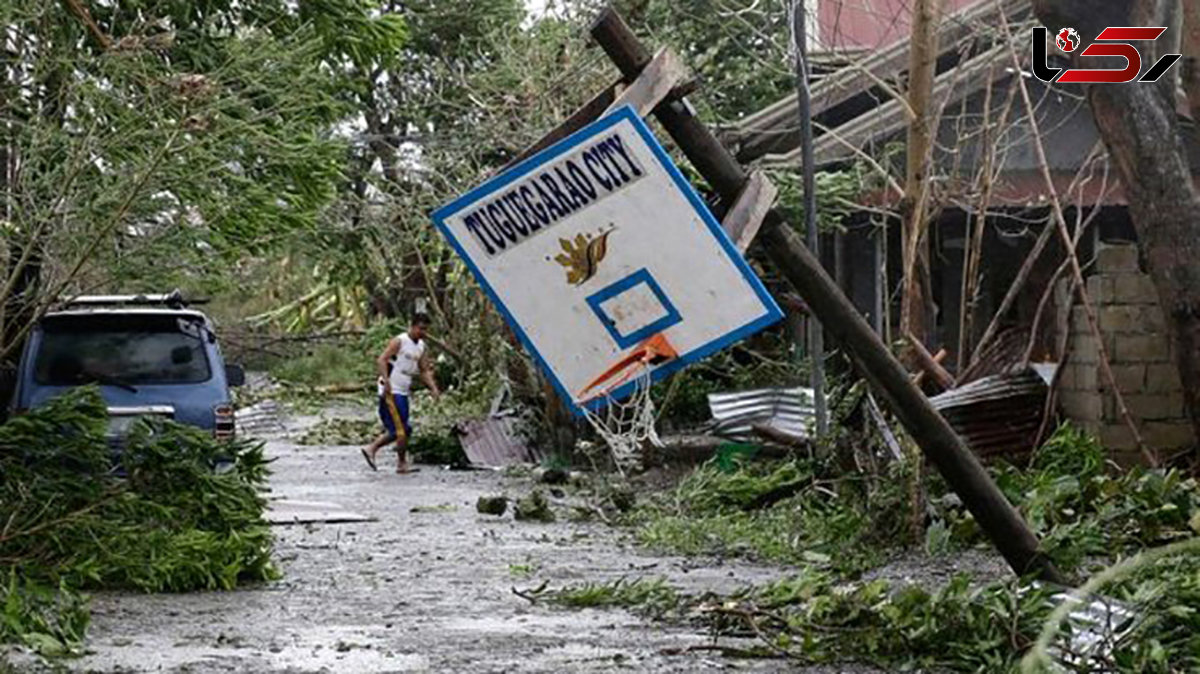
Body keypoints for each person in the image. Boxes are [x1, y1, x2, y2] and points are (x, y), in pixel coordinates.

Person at [360, 313, 440, 473]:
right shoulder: (400, 341)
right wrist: (386, 381)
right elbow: (382, 359)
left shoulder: (421, 347)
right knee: (400, 430)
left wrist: (433, 388)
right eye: (420, 329)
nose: (423, 332)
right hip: (391, 389)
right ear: (412, 326)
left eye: (426, 330)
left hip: (403, 390)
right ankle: (401, 463)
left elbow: (423, 370)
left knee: (404, 429)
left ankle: (372, 449)